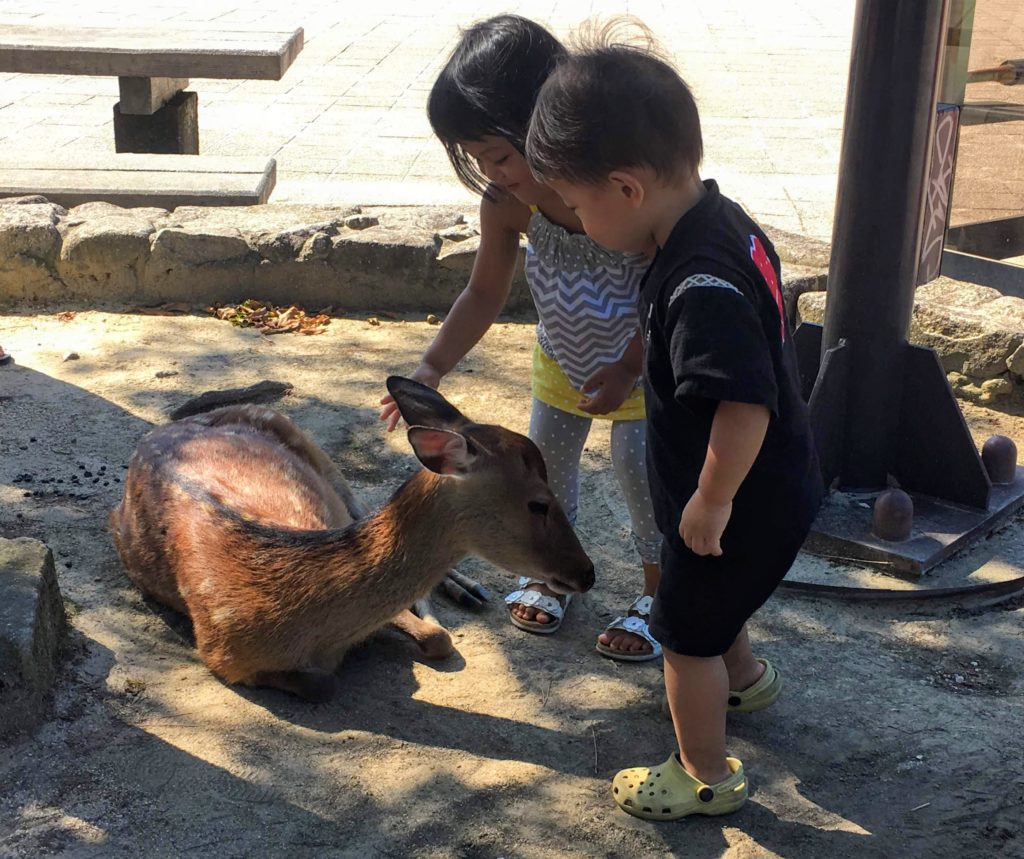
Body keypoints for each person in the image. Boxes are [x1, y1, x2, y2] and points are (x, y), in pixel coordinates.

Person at [525, 30, 823, 819]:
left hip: (736, 497)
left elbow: (744, 399)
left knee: (684, 635)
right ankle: (749, 685)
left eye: (578, 206)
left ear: (625, 188)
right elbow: (683, 339)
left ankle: (704, 773)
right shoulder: (715, 221)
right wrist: (629, 366)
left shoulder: (699, 283)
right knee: (714, 605)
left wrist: (712, 498)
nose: (577, 221)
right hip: (770, 485)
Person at [378, 15, 663, 661]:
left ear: (552, 121)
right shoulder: (509, 205)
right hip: (561, 368)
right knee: (543, 481)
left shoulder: (618, 192)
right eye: (477, 160)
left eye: (500, 154)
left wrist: (628, 365)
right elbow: (483, 293)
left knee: (643, 479)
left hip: (643, 374)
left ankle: (658, 593)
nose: (492, 172)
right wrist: (430, 368)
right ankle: (551, 573)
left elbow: (663, 292)